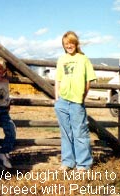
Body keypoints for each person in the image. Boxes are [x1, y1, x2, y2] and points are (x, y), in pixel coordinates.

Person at [54, 31, 96, 172]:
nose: (69, 46)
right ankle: (67, 162)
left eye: (71, 43)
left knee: (80, 132)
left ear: (76, 43)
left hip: (77, 101)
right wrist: (56, 98)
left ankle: (83, 164)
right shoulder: (61, 59)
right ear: (63, 45)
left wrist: (82, 96)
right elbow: (58, 79)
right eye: (66, 44)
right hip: (62, 101)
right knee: (66, 133)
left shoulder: (83, 59)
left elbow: (88, 80)